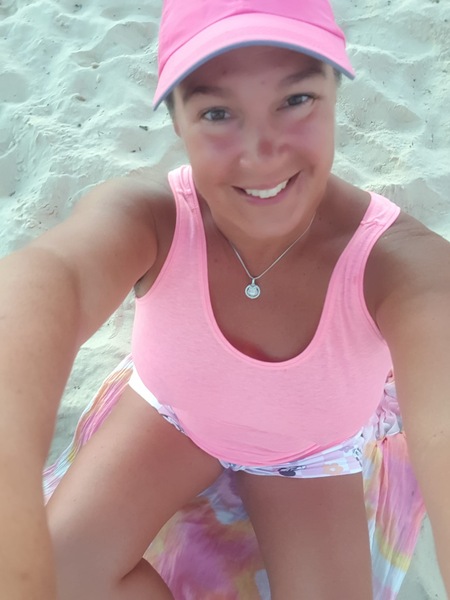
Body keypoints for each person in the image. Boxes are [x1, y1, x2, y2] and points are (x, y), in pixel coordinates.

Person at [1, 0, 449, 598]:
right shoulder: (151, 217)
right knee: (57, 571)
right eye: (217, 112)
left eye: (295, 100)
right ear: (177, 120)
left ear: (333, 96)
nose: (260, 153)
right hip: (173, 415)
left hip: (311, 454)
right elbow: (54, 278)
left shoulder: (400, 266)